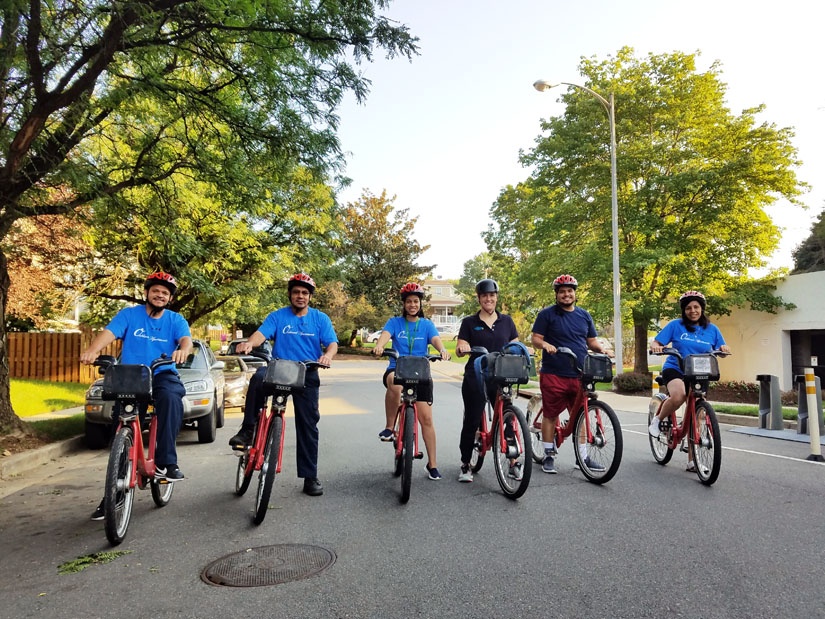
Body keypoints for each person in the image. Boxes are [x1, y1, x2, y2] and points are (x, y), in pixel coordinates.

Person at [81, 271, 193, 520]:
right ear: (147, 293)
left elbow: (186, 341)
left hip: (162, 372)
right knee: (121, 429)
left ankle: (166, 463)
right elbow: (110, 333)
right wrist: (92, 350)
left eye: (165, 292)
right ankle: (113, 494)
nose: (160, 295)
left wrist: (183, 351)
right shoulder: (129, 315)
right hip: (132, 375)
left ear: (170, 298)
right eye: (156, 290)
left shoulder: (175, 320)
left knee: (172, 397)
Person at [228, 273, 338, 497]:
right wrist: (250, 343)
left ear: (309, 297)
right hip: (280, 369)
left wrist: (327, 356)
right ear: (290, 294)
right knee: (258, 378)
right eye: (296, 292)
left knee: (308, 425)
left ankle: (310, 477)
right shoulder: (278, 316)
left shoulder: (320, 319)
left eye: (305, 293)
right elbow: (261, 334)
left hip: (307, 372)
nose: (300, 296)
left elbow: (332, 344)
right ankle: (248, 429)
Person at [530, 274, 612, 474]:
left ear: (575, 293)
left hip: (579, 373)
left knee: (581, 415)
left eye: (569, 291)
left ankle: (582, 457)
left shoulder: (584, 315)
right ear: (557, 295)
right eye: (562, 291)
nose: (566, 294)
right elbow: (535, 338)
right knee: (551, 415)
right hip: (554, 372)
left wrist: (602, 349)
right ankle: (549, 455)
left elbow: (591, 341)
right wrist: (546, 344)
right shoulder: (546, 315)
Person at [372, 282, 451, 480]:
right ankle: (390, 427)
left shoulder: (426, 324)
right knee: (394, 384)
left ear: (420, 304)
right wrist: (380, 346)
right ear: (404, 304)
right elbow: (384, 336)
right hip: (397, 368)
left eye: (416, 301)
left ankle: (432, 464)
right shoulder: (394, 322)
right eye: (409, 301)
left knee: (427, 419)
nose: (412, 305)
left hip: (419, 372)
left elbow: (435, 339)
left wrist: (442, 350)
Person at [648, 290, 731, 472]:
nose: (693, 310)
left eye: (696, 307)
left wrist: (724, 349)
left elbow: (721, 350)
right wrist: (656, 347)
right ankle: (657, 420)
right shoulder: (675, 325)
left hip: (700, 371)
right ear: (684, 310)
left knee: (699, 413)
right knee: (679, 396)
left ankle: (693, 461)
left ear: (702, 309)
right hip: (676, 367)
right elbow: (658, 343)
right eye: (688, 308)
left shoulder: (712, 329)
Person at [454, 279, 519, 483]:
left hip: (500, 375)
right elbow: (461, 344)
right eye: (484, 296)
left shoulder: (506, 321)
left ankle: (513, 461)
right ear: (479, 299)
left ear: (496, 297)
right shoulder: (469, 322)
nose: (488, 299)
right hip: (476, 376)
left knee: (508, 417)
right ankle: (466, 463)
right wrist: (463, 348)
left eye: (492, 295)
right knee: (472, 419)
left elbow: (514, 344)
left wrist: (524, 349)